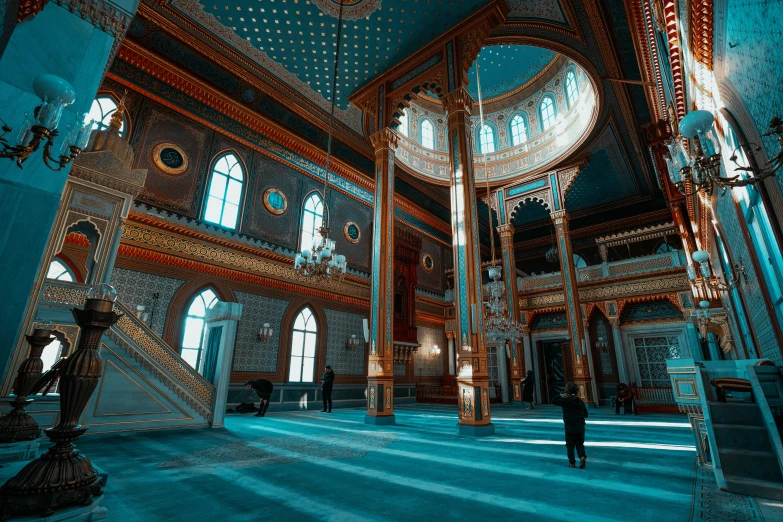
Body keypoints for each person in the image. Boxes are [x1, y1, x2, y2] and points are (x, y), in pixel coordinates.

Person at [552, 381, 589, 469]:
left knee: (570, 445)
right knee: (580, 443)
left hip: (569, 426)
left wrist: (560, 395)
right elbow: (586, 415)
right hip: (580, 425)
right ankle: (582, 457)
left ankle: (572, 463)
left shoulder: (565, 401)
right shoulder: (580, 401)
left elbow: (553, 401)